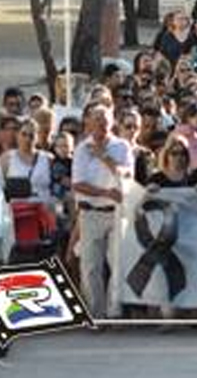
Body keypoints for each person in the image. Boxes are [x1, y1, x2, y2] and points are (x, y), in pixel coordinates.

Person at [70, 105, 133, 317]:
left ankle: (114, 313)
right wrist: (106, 192)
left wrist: (104, 157)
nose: (101, 124)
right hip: (90, 213)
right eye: (96, 119)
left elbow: (125, 176)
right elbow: (78, 184)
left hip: (115, 213)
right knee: (90, 267)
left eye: (104, 119)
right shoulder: (81, 149)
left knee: (117, 264)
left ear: (111, 122)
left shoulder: (122, 146)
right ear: (87, 122)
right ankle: (95, 315)